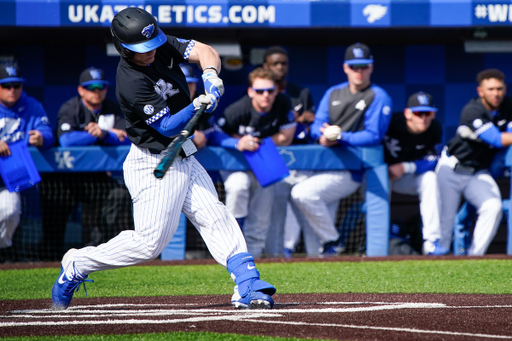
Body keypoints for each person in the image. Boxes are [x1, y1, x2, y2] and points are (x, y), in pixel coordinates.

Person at [52, 8, 276, 311]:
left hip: (182, 152)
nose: (150, 53)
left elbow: (206, 51)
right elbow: (168, 126)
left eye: (152, 45)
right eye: (141, 50)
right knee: (149, 245)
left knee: (214, 215)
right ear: (123, 48)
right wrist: (197, 103)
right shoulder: (130, 81)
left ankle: (247, 282)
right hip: (154, 160)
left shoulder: (158, 43)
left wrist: (210, 74)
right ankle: (79, 263)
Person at [290, 42, 393, 256]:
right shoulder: (333, 93)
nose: (359, 71)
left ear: (371, 67)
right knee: (313, 234)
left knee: (302, 194)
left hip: (349, 169)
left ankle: (334, 239)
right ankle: (325, 275)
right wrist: (322, 136)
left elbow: (374, 136)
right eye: (354, 66)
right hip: (322, 164)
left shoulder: (378, 96)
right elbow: (318, 124)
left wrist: (341, 137)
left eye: (364, 66)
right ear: (346, 67)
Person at [39, 67, 133, 261]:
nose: (97, 91)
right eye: (91, 88)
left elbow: (128, 138)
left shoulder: (112, 108)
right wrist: (96, 135)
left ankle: (103, 250)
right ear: (81, 90)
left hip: (96, 177)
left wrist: (104, 133)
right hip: (66, 178)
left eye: (101, 87)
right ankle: (50, 256)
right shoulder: (70, 107)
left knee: (119, 194)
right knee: (53, 203)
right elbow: (66, 140)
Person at [209, 67, 297, 258]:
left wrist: (256, 142)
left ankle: (254, 261)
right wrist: (237, 142)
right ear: (250, 91)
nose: (265, 95)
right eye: (259, 91)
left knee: (261, 218)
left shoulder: (283, 102)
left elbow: (286, 137)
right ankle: (232, 245)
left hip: (264, 164)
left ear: (276, 91)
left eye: (270, 90)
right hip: (238, 164)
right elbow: (214, 135)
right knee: (238, 186)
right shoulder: (237, 109)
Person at [436, 68, 512, 255]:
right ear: (481, 91)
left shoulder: (509, 106)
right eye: (491, 89)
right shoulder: (473, 110)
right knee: (444, 226)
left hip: (477, 172)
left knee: (493, 207)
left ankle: (475, 257)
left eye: (499, 88)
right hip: (451, 168)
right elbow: (496, 139)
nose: (496, 93)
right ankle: (435, 264)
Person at [261, 46, 320, 258]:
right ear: (266, 66)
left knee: (305, 206)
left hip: (299, 157)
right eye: (275, 64)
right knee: (274, 213)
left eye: (283, 63)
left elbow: (312, 120)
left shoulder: (300, 92)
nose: (280, 68)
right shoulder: (260, 92)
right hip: (272, 158)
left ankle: (316, 255)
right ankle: (276, 255)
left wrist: (308, 118)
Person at [0, 64, 54, 261]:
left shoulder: (32, 105)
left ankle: (4, 250)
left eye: (16, 85)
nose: (12, 90)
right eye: (6, 86)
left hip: (12, 177)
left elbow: (48, 132)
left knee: (9, 212)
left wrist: (41, 137)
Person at [383, 92, 446, 255]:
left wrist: (405, 167)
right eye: (418, 113)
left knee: (430, 179)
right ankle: (378, 239)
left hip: (407, 177)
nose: (423, 118)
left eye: (428, 113)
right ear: (408, 113)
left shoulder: (434, 129)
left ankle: (431, 242)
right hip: (384, 176)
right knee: (381, 179)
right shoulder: (392, 123)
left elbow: (434, 161)